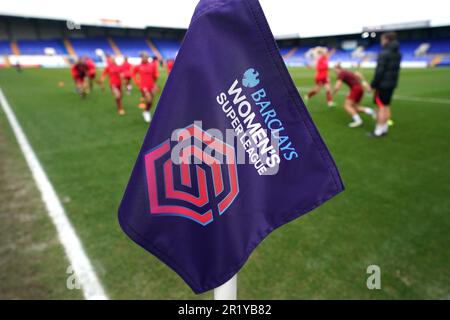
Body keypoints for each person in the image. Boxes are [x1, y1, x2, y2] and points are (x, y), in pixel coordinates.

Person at [370, 32, 402, 137]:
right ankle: (384, 128)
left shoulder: (384, 53)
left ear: (387, 40)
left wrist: (373, 84)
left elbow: (379, 71)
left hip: (383, 85)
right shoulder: (398, 53)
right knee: (386, 106)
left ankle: (378, 131)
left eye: (382, 39)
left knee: (381, 107)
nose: (381, 42)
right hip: (391, 84)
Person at [133, 52, 159, 123]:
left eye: (147, 56)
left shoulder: (152, 65)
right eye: (144, 57)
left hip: (151, 85)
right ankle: (146, 112)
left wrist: (155, 84)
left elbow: (154, 75)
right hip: (143, 86)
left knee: (151, 101)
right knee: (149, 99)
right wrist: (137, 82)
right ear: (141, 57)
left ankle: (146, 110)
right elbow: (133, 74)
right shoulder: (138, 66)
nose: (146, 58)